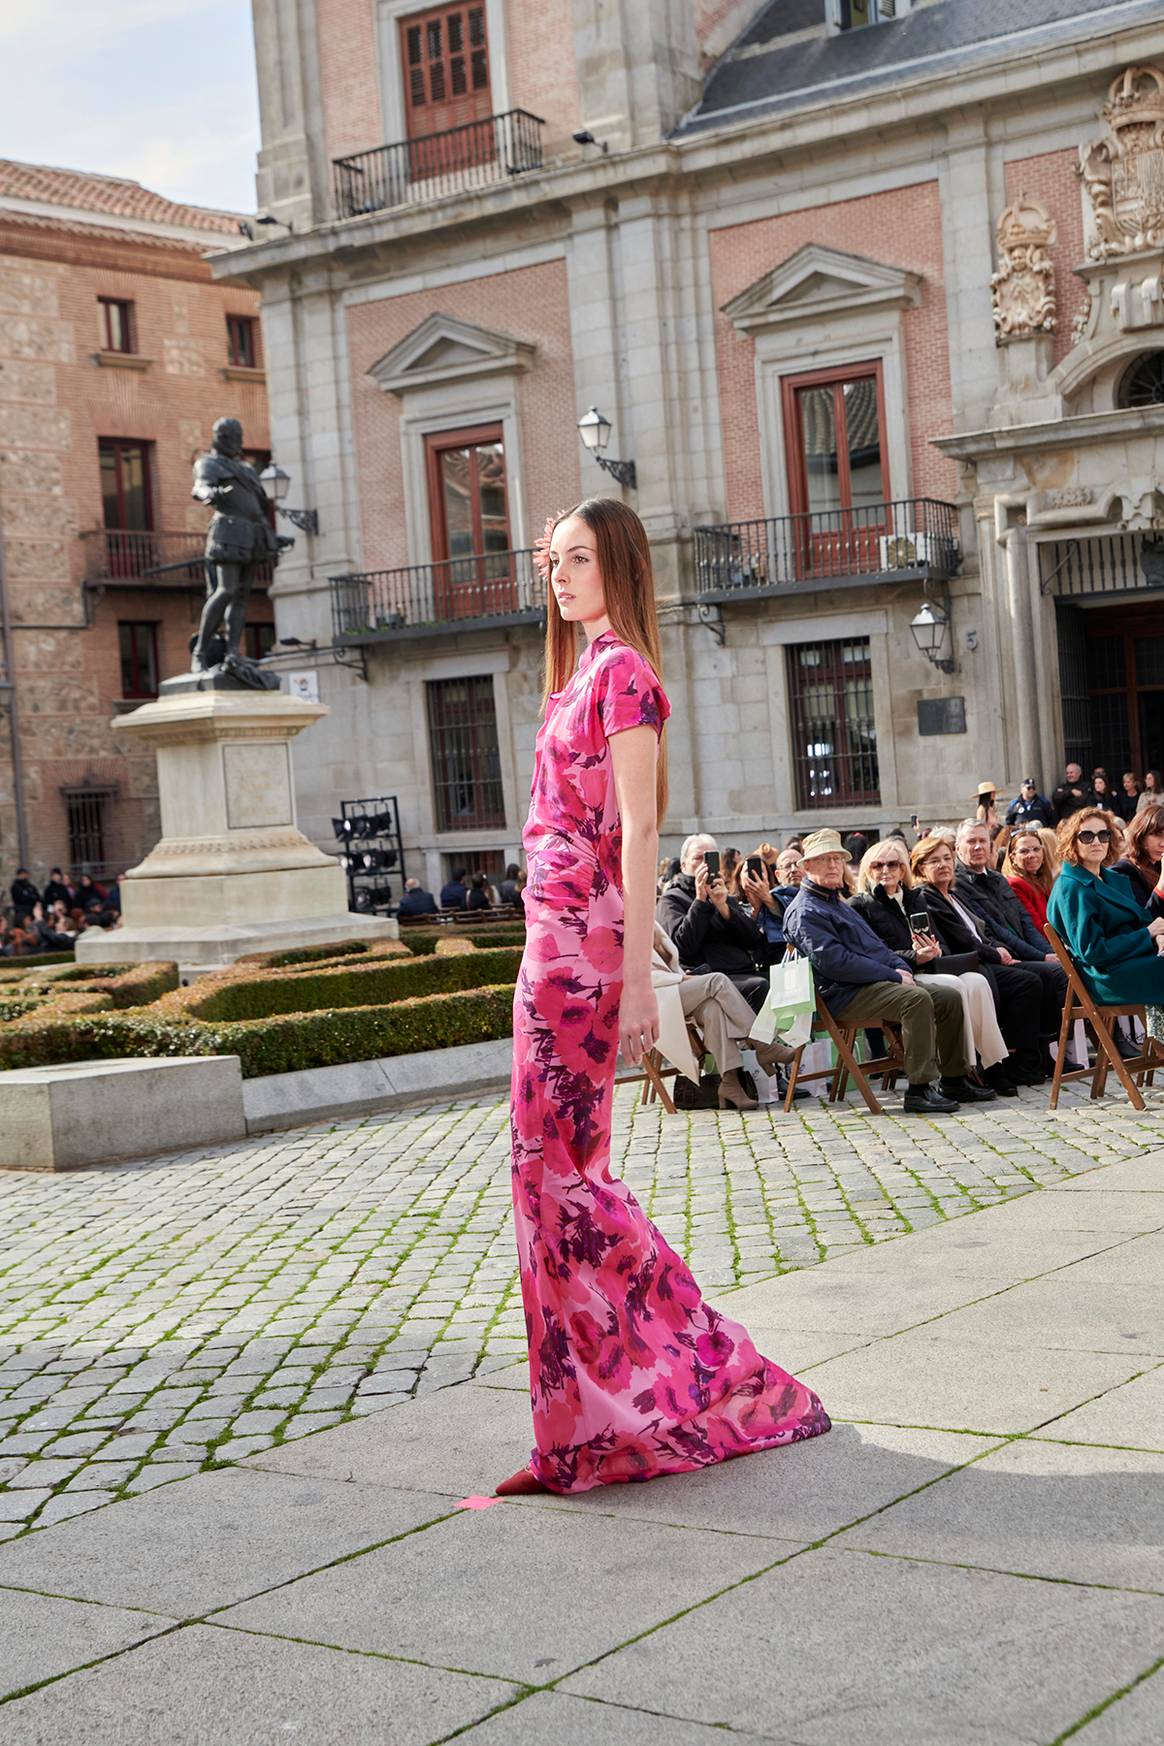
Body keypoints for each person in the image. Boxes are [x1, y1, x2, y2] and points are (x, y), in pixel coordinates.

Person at [499, 496, 829, 1498]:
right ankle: (577, 1426)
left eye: (580, 560)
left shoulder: (628, 678)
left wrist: (642, 974)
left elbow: (642, 832)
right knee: (541, 1183)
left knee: (569, 1182)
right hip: (545, 950)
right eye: (554, 561)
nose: (561, 578)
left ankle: (688, 1374)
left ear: (623, 568)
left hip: (591, 952)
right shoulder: (569, 682)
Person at [782, 829, 970, 1114]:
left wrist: (899, 966)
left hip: (866, 984)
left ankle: (955, 1079)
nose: (834, 865)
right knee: (916, 1000)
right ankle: (919, 1089)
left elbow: (874, 946)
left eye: (837, 858)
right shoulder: (805, 910)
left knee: (948, 996)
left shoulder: (837, 902)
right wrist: (893, 975)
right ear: (807, 866)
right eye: (824, 859)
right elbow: (835, 962)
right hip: (841, 995)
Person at [850, 841, 1000, 1099]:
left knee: (977, 980)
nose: (886, 870)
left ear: (903, 868)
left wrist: (934, 949)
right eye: (878, 864)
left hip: (927, 966)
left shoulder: (914, 897)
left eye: (893, 864)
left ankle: (993, 1063)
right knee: (955, 987)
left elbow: (933, 938)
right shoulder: (860, 905)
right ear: (867, 869)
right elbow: (872, 953)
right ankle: (959, 1071)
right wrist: (913, 956)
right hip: (898, 975)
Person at [910, 832, 1044, 1089]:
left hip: (980, 958)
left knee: (1034, 979)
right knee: (1025, 982)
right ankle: (1003, 1063)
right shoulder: (926, 897)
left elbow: (981, 930)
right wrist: (997, 954)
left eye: (947, 859)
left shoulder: (953, 893)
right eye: (934, 861)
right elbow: (963, 939)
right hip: (959, 964)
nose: (943, 865)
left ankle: (1027, 1060)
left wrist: (1000, 948)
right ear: (920, 868)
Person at [954, 820, 1080, 1075]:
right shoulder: (959, 885)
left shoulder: (997, 879)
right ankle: (1031, 1056)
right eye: (971, 842)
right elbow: (994, 929)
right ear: (958, 847)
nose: (978, 847)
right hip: (996, 956)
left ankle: (1046, 1051)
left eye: (983, 841)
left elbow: (1026, 922)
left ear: (991, 847)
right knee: (1048, 975)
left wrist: (1048, 952)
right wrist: (1041, 956)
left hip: (1021, 952)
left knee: (1061, 971)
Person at [1047, 807, 1164, 1051]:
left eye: (1103, 835)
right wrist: (1147, 935)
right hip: (1106, 974)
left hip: (1133, 959)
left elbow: (1143, 920)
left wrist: (1158, 937)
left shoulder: (1110, 877)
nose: (1097, 841)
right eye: (1087, 836)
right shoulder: (1071, 887)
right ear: (1072, 841)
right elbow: (1093, 951)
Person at [650, 924, 794, 1111]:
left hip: (674, 989)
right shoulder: (622, 928)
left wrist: (683, 976)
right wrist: (684, 980)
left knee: (713, 1008)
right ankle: (762, 1043)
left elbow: (672, 966)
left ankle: (729, 1082)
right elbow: (637, 977)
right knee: (717, 980)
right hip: (656, 998)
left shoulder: (652, 925)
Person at [656, 832, 770, 1012]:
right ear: (684, 864)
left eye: (710, 858)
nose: (705, 865)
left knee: (785, 982)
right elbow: (681, 947)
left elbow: (752, 939)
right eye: (698, 858)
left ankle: (787, 1039)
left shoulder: (724, 894)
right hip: (706, 977)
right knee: (760, 986)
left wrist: (724, 908)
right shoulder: (671, 900)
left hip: (741, 969)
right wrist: (700, 901)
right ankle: (754, 1040)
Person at [1111, 805, 1164, 918]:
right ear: (1140, 834)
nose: (1162, 844)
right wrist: (1162, 885)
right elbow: (1141, 920)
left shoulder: (1158, 864)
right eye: (1157, 835)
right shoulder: (1123, 871)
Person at [1002, 827, 1056, 934]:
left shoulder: (1041, 879)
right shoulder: (1015, 884)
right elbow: (1036, 928)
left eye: (1036, 849)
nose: (1032, 855)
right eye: (1024, 851)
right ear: (1013, 857)